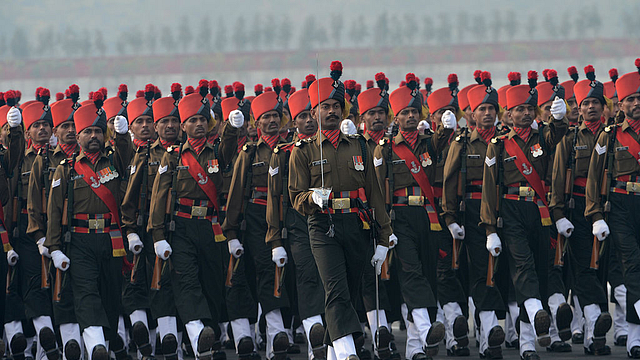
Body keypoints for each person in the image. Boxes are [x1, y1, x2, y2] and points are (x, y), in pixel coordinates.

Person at [289, 61, 392, 360]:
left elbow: (374, 195)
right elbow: (296, 197)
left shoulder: (359, 146)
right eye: (324, 106)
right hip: (323, 226)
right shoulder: (303, 150)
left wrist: (385, 238)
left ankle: (335, 352)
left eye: (336, 105)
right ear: (313, 112)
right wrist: (313, 197)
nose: (331, 111)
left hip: (356, 224)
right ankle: (349, 353)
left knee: (348, 290)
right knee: (335, 290)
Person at [480, 71, 568, 360]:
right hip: (511, 211)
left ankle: (529, 338)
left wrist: (558, 118)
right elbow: (489, 187)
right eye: (520, 109)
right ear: (508, 115)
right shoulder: (499, 144)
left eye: (530, 108)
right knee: (523, 268)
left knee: (541, 272)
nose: (526, 113)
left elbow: (558, 134)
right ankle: (530, 333)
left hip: (540, 211)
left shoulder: (544, 136)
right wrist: (490, 227)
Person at [148, 88, 241, 360]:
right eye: (192, 121)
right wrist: (157, 234)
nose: (198, 125)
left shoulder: (217, 152)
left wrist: (232, 129)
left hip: (211, 227)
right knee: (186, 281)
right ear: (183, 126)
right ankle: (197, 331)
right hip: (182, 227)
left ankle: (204, 339)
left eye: (203, 120)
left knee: (212, 283)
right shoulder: (174, 156)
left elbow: (228, 149)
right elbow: (159, 195)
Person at [45, 92, 133, 360]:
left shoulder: (114, 161)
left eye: (98, 131)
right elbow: (54, 209)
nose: (93, 136)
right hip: (80, 242)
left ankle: (103, 343)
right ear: (78, 136)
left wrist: (121, 135)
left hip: (111, 239)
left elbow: (127, 155)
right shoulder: (66, 168)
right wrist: (54, 246)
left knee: (110, 296)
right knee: (86, 293)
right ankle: (96, 347)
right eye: (87, 132)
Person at [373, 78, 456, 359]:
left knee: (428, 277)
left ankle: (415, 348)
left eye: (414, 111)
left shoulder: (428, 142)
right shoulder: (385, 148)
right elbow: (377, 188)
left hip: (428, 216)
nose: (410, 116)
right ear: (396, 116)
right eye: (405, 112)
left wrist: (446, 124)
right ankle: (425, 327)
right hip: (400, 217)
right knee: (411, 274)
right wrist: (384, 227)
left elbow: (443, 138)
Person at [223, 82, 292, 360]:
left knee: (284, 276)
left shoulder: (291, 149)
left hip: (289, 217)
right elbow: (237, 193)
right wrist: (231, 231)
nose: (272, 120)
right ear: (256, 122)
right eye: (266, 117)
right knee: (266, 273)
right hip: (257, 218)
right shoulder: (249, 153)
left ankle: (279, 334)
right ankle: (273, 337)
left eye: (276, 115)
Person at [550, 65, 614, 355]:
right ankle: (594, 329)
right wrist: (559, 214)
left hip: (610, 211)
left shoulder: (613, 136)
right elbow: (558, 179)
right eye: (585, 103)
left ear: (603, 107)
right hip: (577, 212)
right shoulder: (570, 139)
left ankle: (593, 335)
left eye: (595, 103)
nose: (590, 107)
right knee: (583, 270)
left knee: (601, 271)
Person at [442, 72, 506, 359]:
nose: (488, 113)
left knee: (495, 273)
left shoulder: (506, 139)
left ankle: (487, 331)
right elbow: (449, 180)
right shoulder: (463, 142)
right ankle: (486, 334)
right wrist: (451, 218)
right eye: (482, 109)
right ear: (471, 113)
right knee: (480, 272)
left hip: (504, 214)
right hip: (472, 217)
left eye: (492, 108)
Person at [585, 58, 640, 358]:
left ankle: (634, 335)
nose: (635, 104)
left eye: (639, 98)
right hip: (619, 205)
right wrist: (595, 215)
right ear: (620, 105)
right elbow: (594, 175)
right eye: (630, 99)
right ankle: (634, 338)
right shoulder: (609, 134)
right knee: (631, 265)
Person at [266, 88, 326, 360]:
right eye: (302, 116)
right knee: (307, 276)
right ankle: (316, 336)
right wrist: (276, 239)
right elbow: (274, 197)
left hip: (332, 219)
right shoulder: (284, 153)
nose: (309, 121)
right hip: (300, 223)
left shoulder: (338, 145)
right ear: (294, 122)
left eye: (312, 114)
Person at [27, 85, 83, 360]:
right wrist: (41, 237)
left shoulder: (86, 158)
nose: (70, 130)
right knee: (56, 291)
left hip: (83, 234)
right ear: (55, 132)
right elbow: (34, 201)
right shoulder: (46, 160)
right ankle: (60, 346)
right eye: (64, 126)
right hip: (54, 236)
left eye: (74, 125)